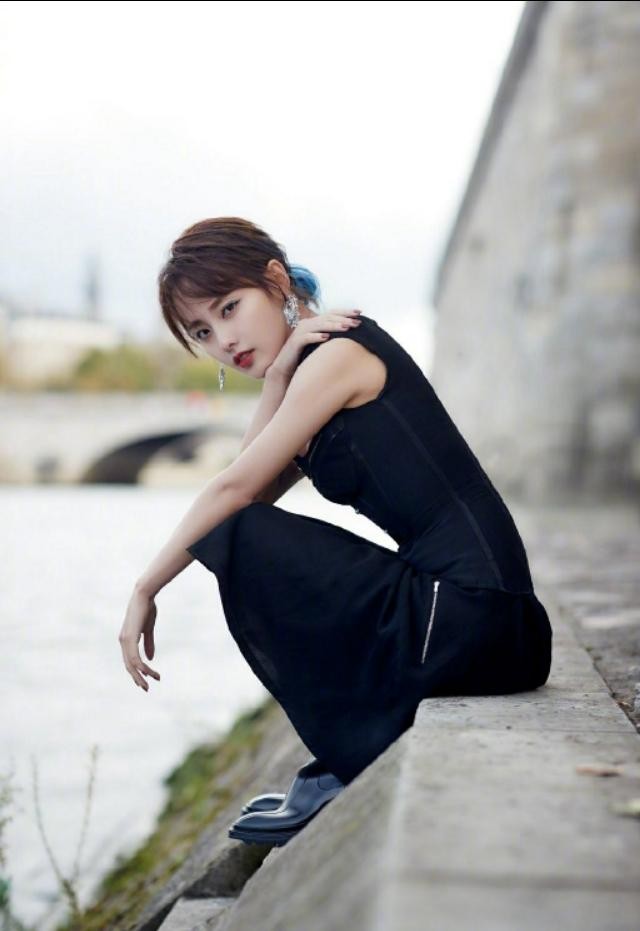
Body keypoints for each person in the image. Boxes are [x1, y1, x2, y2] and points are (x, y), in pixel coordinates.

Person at [118, 216, 553, 848]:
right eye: (203, 332)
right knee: (242, 530)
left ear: (276, 281)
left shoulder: (341, 353)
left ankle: (350, 758)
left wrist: (145, 587)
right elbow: (246, 487)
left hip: (475, 616)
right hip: (484, 620)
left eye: (230, 308)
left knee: (246, 539)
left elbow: (232, 495)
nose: (224, 341)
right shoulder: (307, 372)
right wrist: (275, 377)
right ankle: (347, 754)